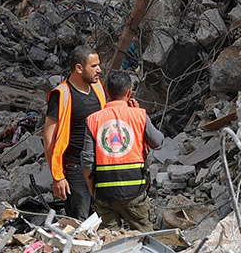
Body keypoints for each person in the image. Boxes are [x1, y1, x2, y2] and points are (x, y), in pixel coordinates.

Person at [84, 70, 164, 231]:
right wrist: (139, 115)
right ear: (129, 92)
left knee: (109, 241)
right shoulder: (139, 116)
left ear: (107, 92)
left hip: (104, 193)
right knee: (145, 239)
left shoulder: (92, 120)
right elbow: (158, 142)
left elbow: (86, 160)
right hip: (135, 191)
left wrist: (93, 191)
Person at [43, 44, 106, 220]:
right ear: (79, 68)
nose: (99, 70)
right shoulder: (62, 94)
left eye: (98, 65)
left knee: (100, 220)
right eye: (94, 66)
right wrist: (58, 177)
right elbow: (49, 139)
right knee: (79, 222)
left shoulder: (97, 88)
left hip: (98, 166)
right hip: (74, 169)